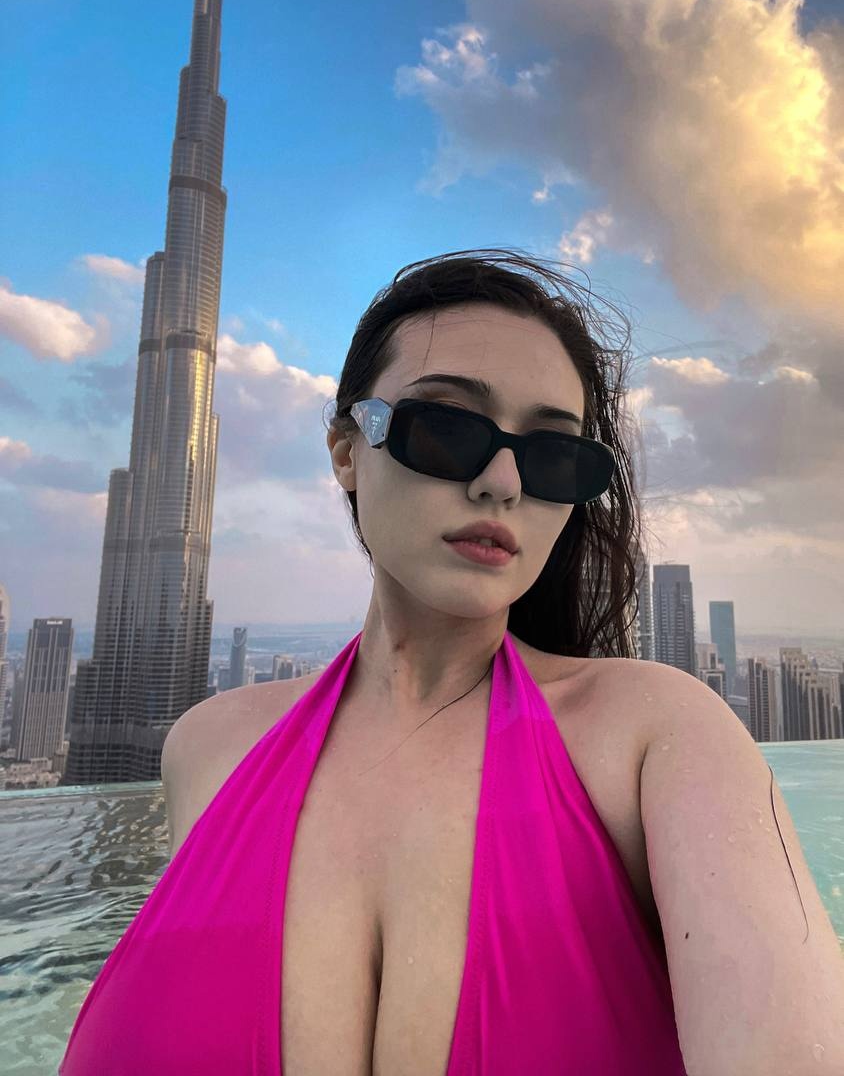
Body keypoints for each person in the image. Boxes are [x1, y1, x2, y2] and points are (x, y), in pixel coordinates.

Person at [64, 249, 837, 1074]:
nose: (502, 482)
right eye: (446, 427)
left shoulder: (657, 738)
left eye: (553, 456)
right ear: (347, 449)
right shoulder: (208, 747)